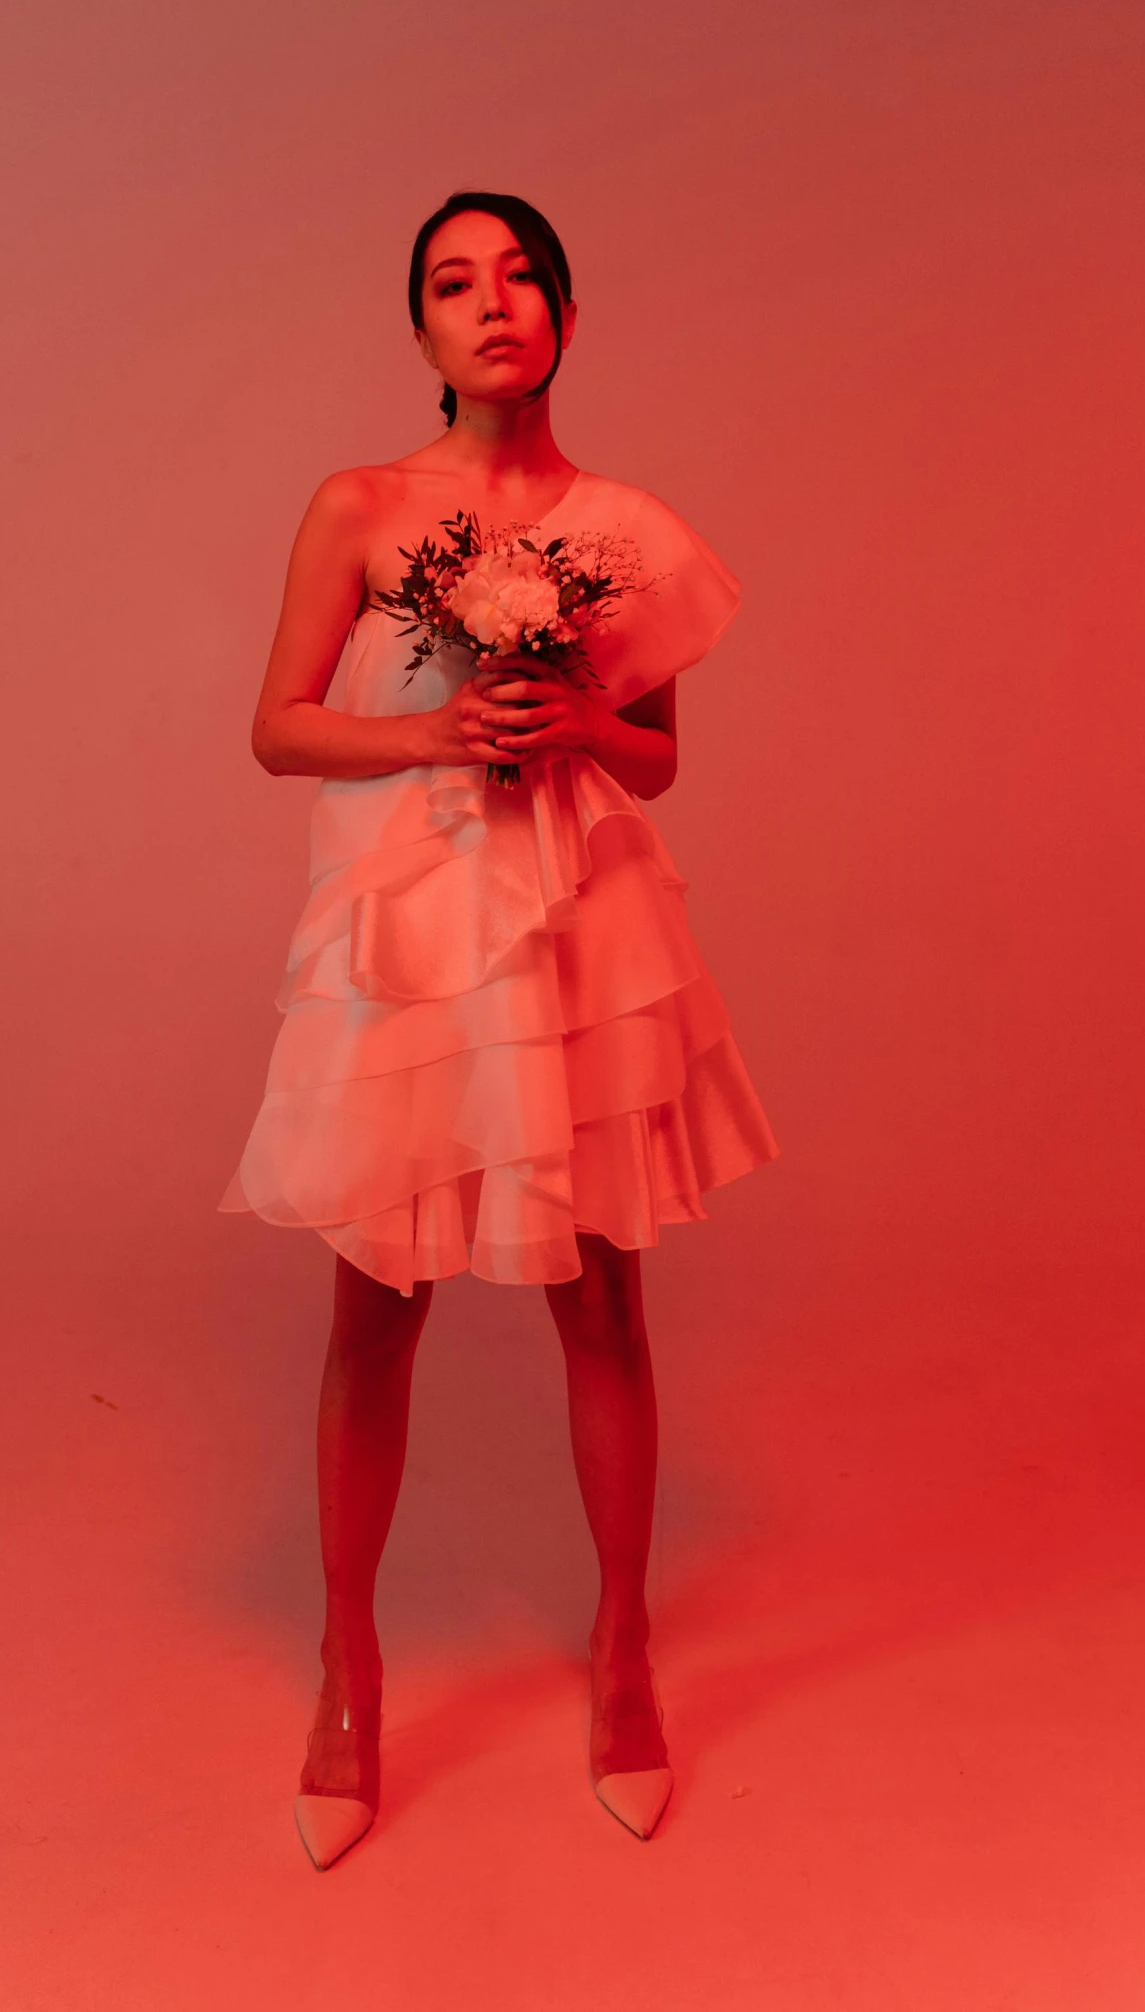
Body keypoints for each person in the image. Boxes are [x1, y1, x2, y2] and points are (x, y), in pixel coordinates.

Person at [221, 190, 778, 1867]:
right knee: (370, 1302)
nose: (490, 303)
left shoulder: (630, 525)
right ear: (420, 330)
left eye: (518, 275)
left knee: (601, 1288)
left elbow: (662, 756)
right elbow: (276, 726)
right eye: (453, 283)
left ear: (564, 315)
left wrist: (582, 717)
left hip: (574, 927)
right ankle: (348, 1666)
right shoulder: (363, 504)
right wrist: (439, 733)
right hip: (414, 929)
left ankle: (622, 1651)